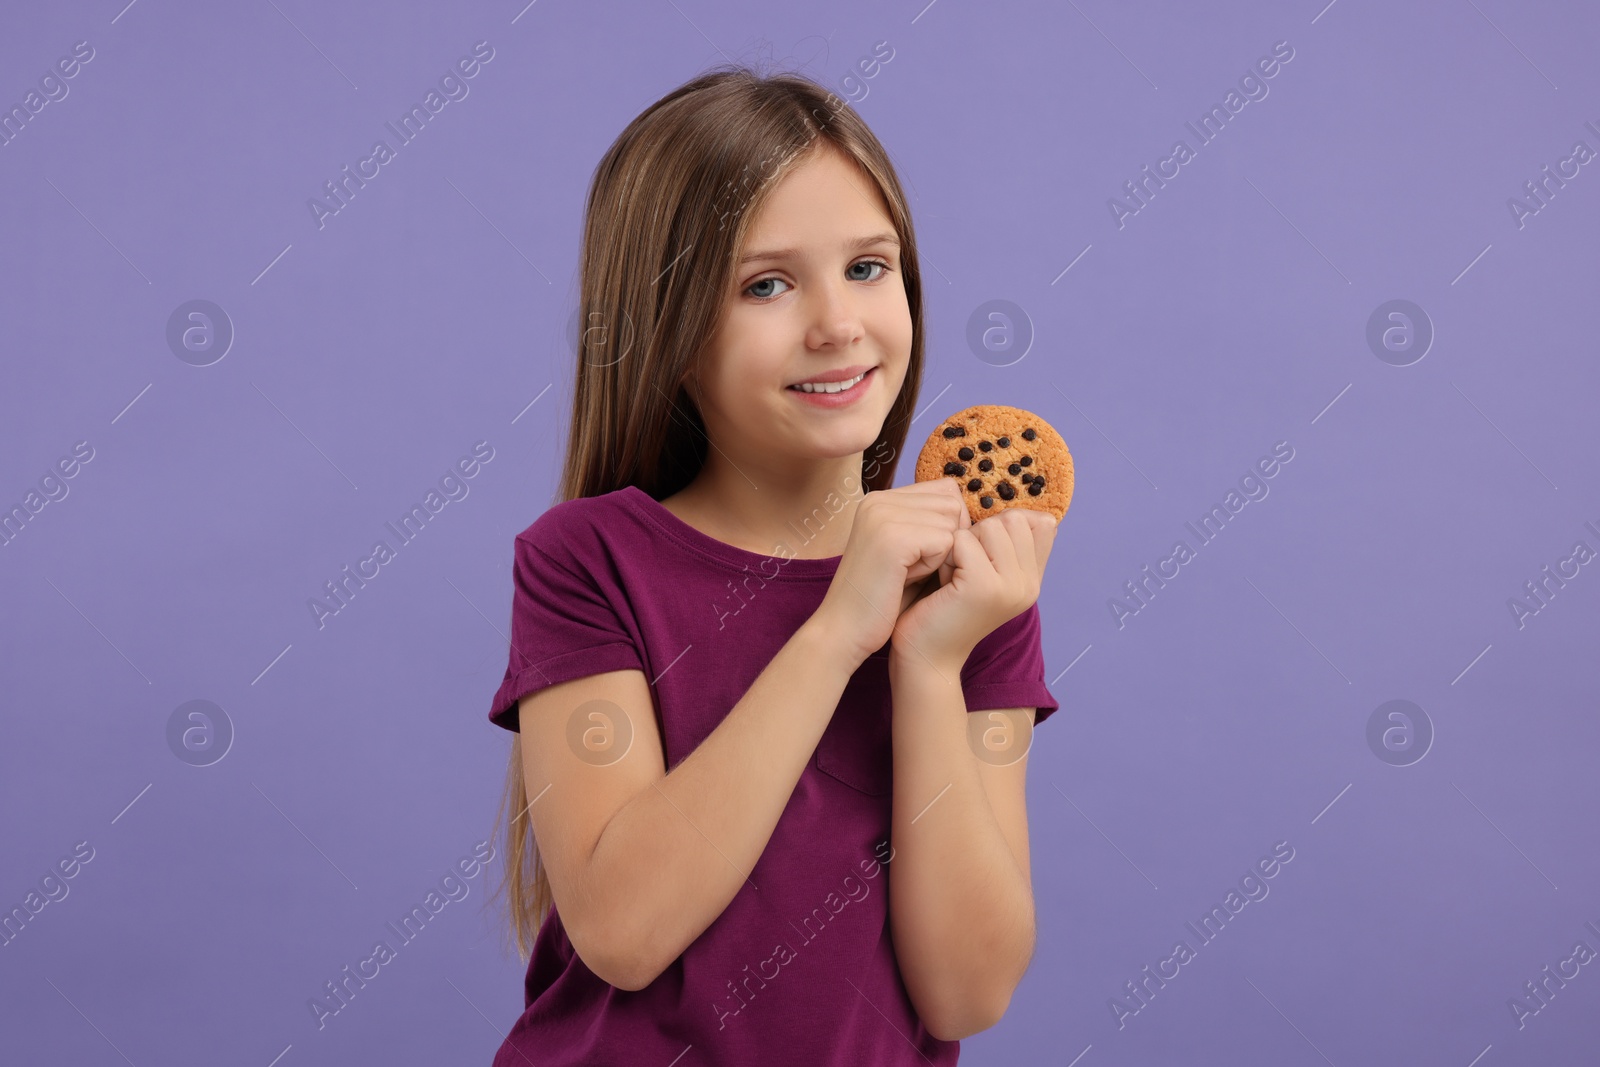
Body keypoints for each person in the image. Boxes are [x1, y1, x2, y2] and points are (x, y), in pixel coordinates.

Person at [483, 64, 1061, 1066]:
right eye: (766, 284)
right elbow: (624, 928)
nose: (836, 322)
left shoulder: (974, 587)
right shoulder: (587, 560)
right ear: (668, 334)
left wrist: (926, 665)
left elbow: (965, 989)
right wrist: (839, 630)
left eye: (869, 268)